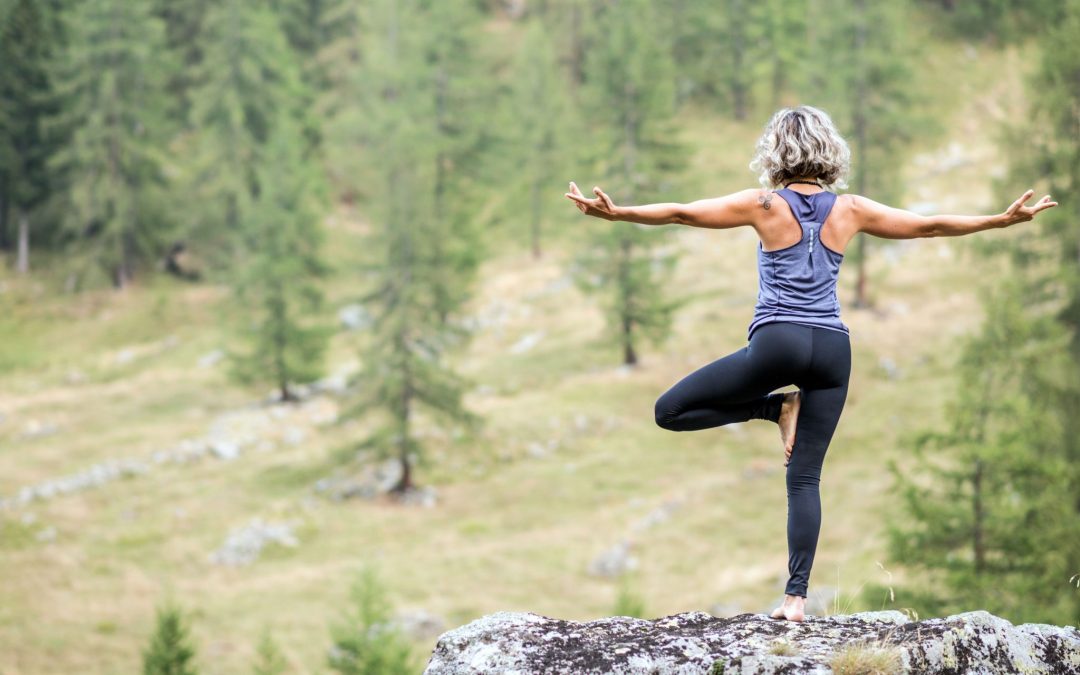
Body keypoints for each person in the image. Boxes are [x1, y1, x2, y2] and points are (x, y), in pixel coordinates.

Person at [563, 104, 1057, 622]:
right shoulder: (851, 210)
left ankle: (771, 410)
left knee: (670, 410)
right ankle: (796, 599)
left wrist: (618, 213)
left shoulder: (764, 205)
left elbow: (685, 212)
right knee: (805, 479)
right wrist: (1001, 220)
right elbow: (929, 226)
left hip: (779, 341)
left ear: (775, 152)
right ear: (829, 152)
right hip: (833, 349)